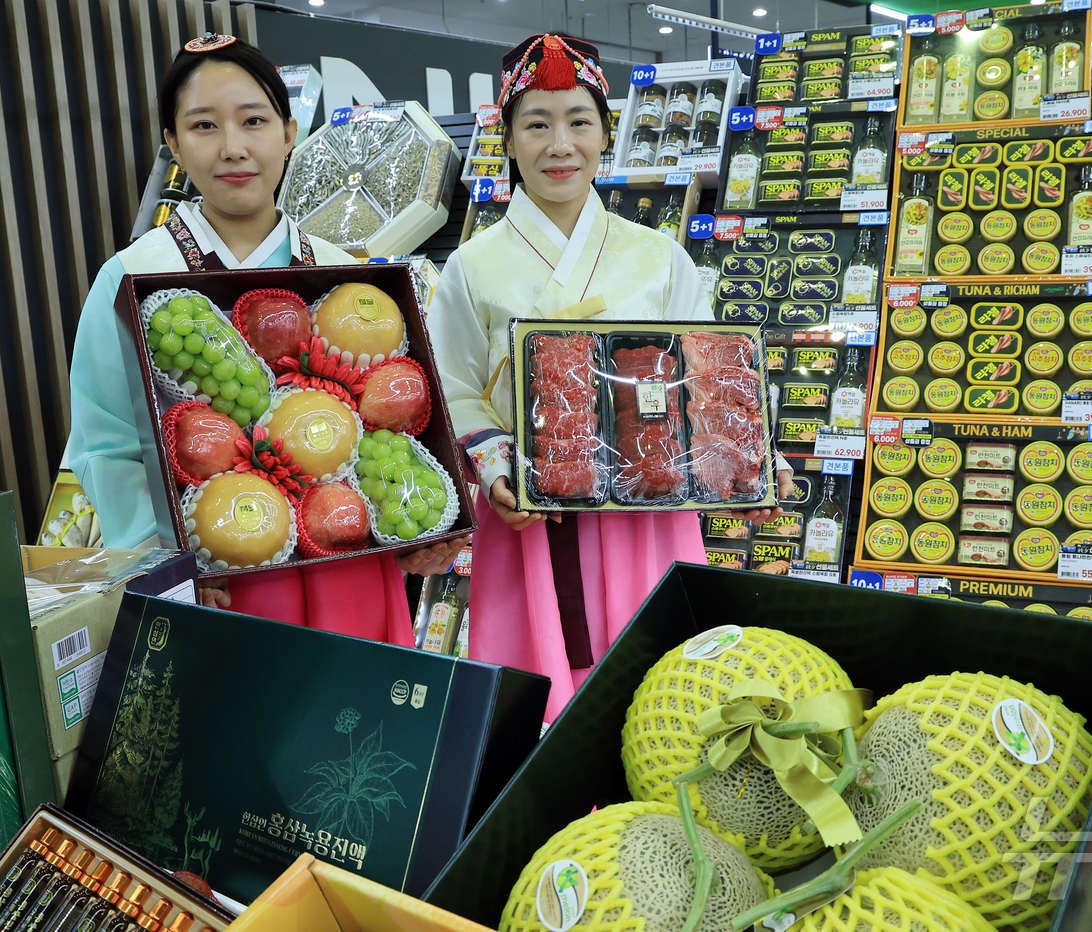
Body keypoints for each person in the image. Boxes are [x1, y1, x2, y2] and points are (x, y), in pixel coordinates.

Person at [427, 33, 793, 719]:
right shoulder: (473, 266)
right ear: (507, 139)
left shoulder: (658, 258)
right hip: (529, 517)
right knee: (534, 706)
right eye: (536, 124)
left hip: (646, 508)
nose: (558, 145)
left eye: (578, 122)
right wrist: (501, 466)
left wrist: (748, 462)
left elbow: (711, 377)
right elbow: (455, 384)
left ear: (605, 134)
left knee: (659, 696)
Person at [68, 34, 465, 644]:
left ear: (288, 131)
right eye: (203, 126)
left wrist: (418, 538)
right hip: (223, 574)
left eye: (254, 121)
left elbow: (395, 431)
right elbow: (107, 446)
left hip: (349, 562)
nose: (233, 148)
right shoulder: (132, 277)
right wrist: (170, 565)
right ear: (172, 143)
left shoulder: (343, 274)